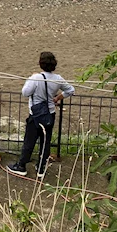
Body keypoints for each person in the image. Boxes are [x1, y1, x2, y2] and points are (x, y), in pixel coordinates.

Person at [7, 52, 75, 180]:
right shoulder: (57, 78)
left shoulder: (36, 78)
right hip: (49, 114)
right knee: (45, 142)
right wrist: (57, 98)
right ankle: (41, 168)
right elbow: (70, 90)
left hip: (35, 115)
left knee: (29, 141)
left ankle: (21, 166)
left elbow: (25, 92)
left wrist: (31, 78)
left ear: (40, 64)